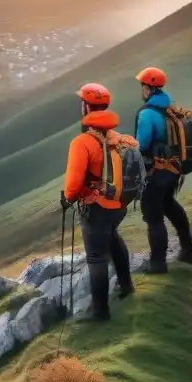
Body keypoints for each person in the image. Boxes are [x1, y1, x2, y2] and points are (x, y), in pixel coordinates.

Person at [60, 82, 136, 321]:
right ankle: (126, 286)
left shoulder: (82, 143)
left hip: (96, 207)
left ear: (86, 107)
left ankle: (100, 312)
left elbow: (72, 186)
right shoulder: (123, 139)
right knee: (112, 237)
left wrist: (67, 199)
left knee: (96, 257)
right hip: (120, 205)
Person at [133, 67, 192, 271]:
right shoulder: (169, 107)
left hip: (157, 171)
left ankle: (158, 264)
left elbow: (142, 144)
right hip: (174, 169)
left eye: (142, 86)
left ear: (147, 88)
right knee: (169, 204)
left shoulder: (147, 114)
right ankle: (189, 250)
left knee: (153, 216)